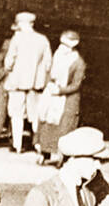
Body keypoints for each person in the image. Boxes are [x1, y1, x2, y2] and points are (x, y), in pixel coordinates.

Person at [2, 12, 52, 154]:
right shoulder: (43, 39)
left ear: (22, 24)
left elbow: (9, 61)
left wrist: (9, 70)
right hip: (36, 85)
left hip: (17, 83)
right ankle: (38, 146)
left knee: (16, 114)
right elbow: (48, 63)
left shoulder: (16, 39)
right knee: (36, 115)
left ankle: (17, 146)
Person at [36, 30, 85, 164]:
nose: (62, 47)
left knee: (64, 128)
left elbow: (76, 84)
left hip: (67, 99)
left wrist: (60, 90)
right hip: (52, 96)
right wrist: (49, 86)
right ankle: (45, 151)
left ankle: (62, 155)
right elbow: (49, 73)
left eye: (66, 44)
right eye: (61, 43)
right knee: (47, 124)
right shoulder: (57, 56)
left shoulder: (78, 62)